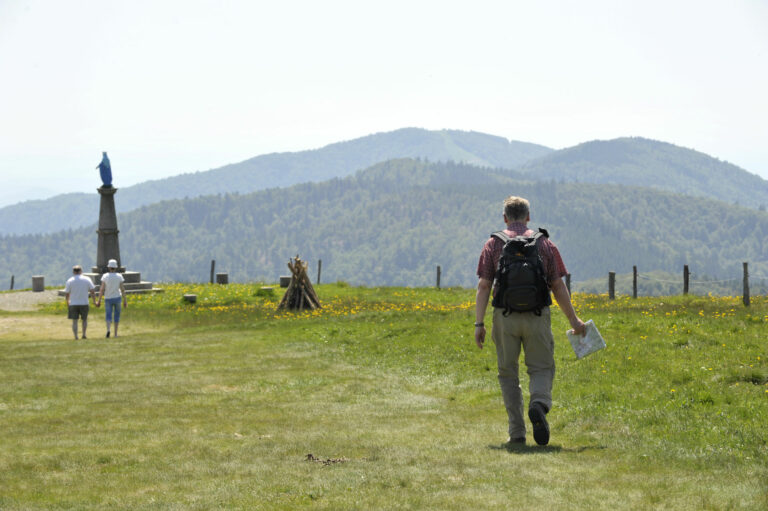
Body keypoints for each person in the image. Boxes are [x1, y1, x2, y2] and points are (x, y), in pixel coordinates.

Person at [474, 196, 586, 446]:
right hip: (537, 317)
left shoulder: (493, 244)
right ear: (528, 216)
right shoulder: (545, 244)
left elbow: (484, 286)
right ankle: (539, 403)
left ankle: (517, 433)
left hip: (504, 317)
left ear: (505, 218)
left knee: (508, 374)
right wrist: (574, 320)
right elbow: (557, 285)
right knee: (542, 367)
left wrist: (479, 324)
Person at [96, 259, 127, 338]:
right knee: (117, 315)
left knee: (108, 315)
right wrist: (125, 300)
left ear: (109, 267)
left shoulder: (105, 276)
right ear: (116, 267)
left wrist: (99, 300)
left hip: (108, 298)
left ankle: (108, 330)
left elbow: (102, 289)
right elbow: (122, 289)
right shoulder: (119, 276)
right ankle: (115, 334)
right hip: (117, 297)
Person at [64, 265, 96, 340]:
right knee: (84, 320)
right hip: (84, 302)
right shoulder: (87, 279)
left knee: (74, 321)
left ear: (73, 272)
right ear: (81, 271)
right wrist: (94, 301)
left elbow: (67, 293)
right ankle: (84, 334)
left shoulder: (70, 280)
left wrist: (67, 302)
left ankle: (76, 336)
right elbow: (92, 291)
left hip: (73, 303)